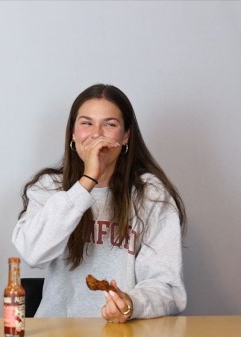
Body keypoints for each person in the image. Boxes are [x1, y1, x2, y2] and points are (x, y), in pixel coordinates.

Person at [12, 84, 186, 323]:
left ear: (126, 136)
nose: (97, 134)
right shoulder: (48, 187)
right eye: (86, 123)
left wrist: (131, 304)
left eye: (110, 124)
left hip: (124, 330)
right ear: (73, 133)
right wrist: (88, 180)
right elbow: (33, 253)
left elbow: (167, 287)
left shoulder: (151, 194)